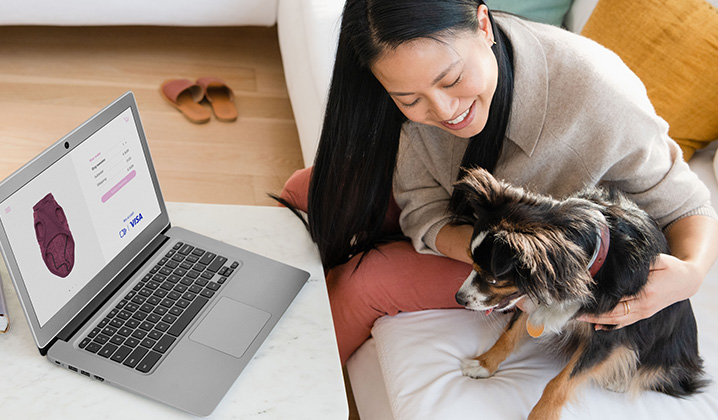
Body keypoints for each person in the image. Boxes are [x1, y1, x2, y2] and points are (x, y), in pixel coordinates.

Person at [279, 0, 718, 364]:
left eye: (451, 79)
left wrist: (692, 273)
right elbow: (422, 206)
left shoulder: (599, 94)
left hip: (522, 259)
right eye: (409, 99)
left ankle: (288, 387)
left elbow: (688, 206)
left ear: (484, 24)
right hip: (472, 228)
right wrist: (477, 241)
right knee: (306, 189)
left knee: (366, 283)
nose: (445, 109)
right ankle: (238, 305)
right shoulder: (402, 73)